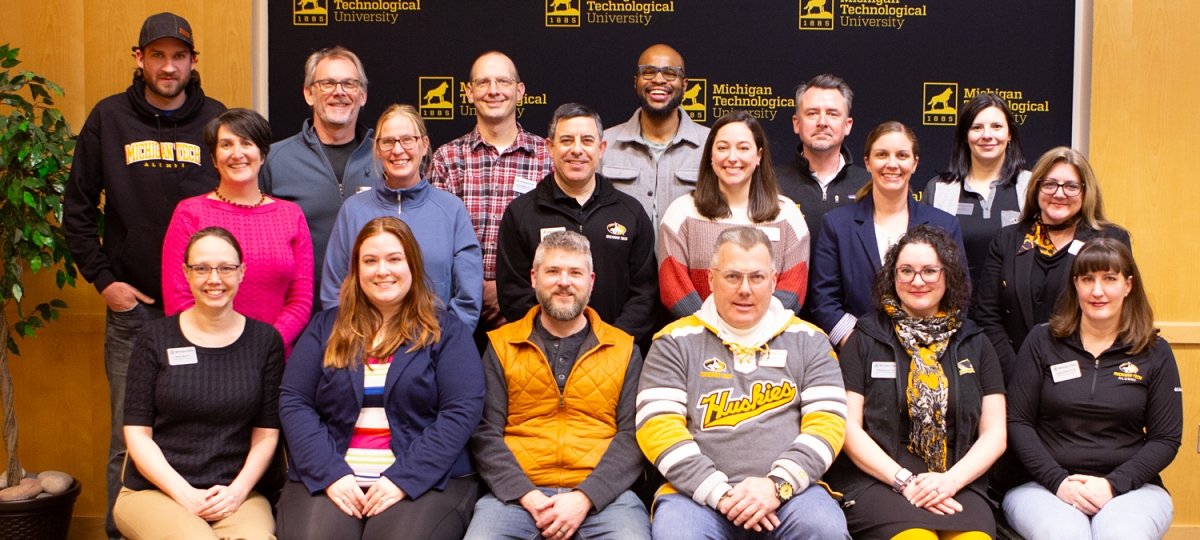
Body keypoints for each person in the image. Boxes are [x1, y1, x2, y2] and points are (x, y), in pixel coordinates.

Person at [61, 12, 226, 538]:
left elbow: (235, 207)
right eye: (157, 55)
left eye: (179, 56)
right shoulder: (108, 119)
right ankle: (120, 532)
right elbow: (77, 209)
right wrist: (105, 282)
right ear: (139, 59)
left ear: (193, 62)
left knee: (211, 430)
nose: (168, 66)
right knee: (127, 440)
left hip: (206, 313)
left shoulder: (218, 120)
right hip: (136, 314)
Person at [278, 217, 485, 540]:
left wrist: (402, 478)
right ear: (356, 269)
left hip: (424, 480)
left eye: (394, 259)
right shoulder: (325, 328)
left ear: (412, 265)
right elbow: (295, 401)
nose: (382, 270)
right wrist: (331, 474)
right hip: (332, 477)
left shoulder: (446, 331)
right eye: (370, 261)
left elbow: (461, 411)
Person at [637, 227, 849, 540]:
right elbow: (657, 428)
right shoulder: (674, 341)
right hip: (695, 497)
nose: (745, 289)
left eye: (757, 277)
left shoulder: (811, 340)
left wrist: (776, 486)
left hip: (790, 495)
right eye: (733, 276)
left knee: (824, 529)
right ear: (711, 279)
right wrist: (720, 493)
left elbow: (828, 426)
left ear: (774, 280)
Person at [466, 231, 650, 540]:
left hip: (605, 500)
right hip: (516, 498)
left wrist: (584, 497)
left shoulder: (623, 348)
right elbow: (485, 432)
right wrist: (527, 495)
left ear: (591, 281)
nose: (564, 281)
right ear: (534, 278)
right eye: (553, 271)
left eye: (575, 273)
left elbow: (633, 436)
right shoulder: (501, 345)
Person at [826, 225, 1005, 540]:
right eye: (906, 271)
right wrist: (903, 481)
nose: (917, 280)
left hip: (956, 480)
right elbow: (848, 429)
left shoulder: (975, 341)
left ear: (947, 275)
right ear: (892, 278)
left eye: (929, 271)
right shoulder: (865, 338)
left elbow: (995, 434)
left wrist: (951, 480)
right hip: (880, 479)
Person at [1003, 238, 1180, 540]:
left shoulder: (1155, 351)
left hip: (1132, 488)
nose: (1097, 291)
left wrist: (1113, 484)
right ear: (1075, 285)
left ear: (1128, 285)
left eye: (1109, 279)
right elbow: (1018, 422)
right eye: (1088, 279)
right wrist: (1058, 481)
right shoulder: (1042, 341)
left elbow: (1166, 438)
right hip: (1043, 485)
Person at [114, 227, 282, 539]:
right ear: (186, 273)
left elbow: (267, 434)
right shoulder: (155, 338)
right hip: (156, 492)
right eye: (201, 268)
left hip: (236, 495)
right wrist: (185, 494)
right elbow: (137, 434)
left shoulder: (265, 341)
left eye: (225, 268)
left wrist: (237, 491)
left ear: (241, 272)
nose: (214, 279)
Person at [496, 103, 657, 345]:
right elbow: (514, 295)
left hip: (616, 355)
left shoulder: (630, 213)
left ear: (601, 148)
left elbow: (645, 294)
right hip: (543, 356)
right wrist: (555, 340)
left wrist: (611, 343)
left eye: (587, 140)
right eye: (567, 140)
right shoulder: (521, 214)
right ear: (550, 147)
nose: (577, 150)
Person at [162, 108, 313, 354]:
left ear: (262, 154)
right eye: (226, 144)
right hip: (207, 356)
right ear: (213, 158)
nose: (237, 153)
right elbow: (179, 298)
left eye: (246, 143)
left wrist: (266, 345)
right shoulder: (189, 213)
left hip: (274, 358)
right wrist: (219, 348)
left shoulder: (290, 215)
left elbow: (300, 300)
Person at [974, 146, 1130, 381]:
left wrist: (1069, 375)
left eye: (1071, 186)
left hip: (1084, 378)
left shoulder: (1110, 240)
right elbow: (987, 315)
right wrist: (1019, 373)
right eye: (1049, 184)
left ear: (1086, 192)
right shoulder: (1007, 240)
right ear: (1036, 188)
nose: (1059, 193)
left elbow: (1116, 314)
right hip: (1013, 376)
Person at [321, 104, 482, 329]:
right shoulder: (353, 211)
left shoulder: (451, 210)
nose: (398, 150)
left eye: (407, 140)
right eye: (387, 142)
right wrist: (356, 344)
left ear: (424, 145)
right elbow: (334, 293)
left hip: (435, 349)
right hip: (365, 350)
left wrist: (444, 345)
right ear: (377, 149)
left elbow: (468, 299)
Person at [808, 121, 964, 348]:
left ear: (915, 163)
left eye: (902, 155)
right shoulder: (837, 225)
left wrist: (927, 342)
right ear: (867, 163)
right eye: (882, 154)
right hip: (858, 351)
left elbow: (958, 295)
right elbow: (823, 299)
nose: (892, 164)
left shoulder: (945, 225)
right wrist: (857, 343)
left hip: (929, 353)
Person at [430, 51, 553, 338]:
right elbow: (439, 239)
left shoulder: (547, 157)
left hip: (530, 308)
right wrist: (474, 288)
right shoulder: (447, 159)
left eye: (503, 81)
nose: (493, 90)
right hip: (457, 309)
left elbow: (558, 237)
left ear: (519, 91)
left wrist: (509, 290)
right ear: (469, 92)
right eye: (483, 83)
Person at [658, 111, 810, 318]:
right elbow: (674, 290)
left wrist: (752, 333)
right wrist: (715, 331)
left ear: (758, 156)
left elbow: (793, 292)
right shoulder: (681, 213)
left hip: (768, 342)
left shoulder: (788, 216)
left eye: (743, 148)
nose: (732, 157)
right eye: (722, 148)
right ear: (710, 156)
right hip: (697, 342)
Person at [261, 46, 374, 312]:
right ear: (309, 93)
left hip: (374, 316)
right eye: (328, 83)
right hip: (298, 317)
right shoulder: (275, 160)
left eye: (349, 83)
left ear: (363, 95)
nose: (339, 91)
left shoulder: (386, 158)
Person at [923, 93, 1031, 284]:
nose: (987, 135)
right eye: (977, 127)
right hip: (953, 309)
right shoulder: (939, 189)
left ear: (1009, 134)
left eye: (996, 127)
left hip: (1013, 310)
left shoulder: (1030, 187)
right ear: (965, 135)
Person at [601, 43, 710, 225]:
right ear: (636, 81)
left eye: (670, 72)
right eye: (649, 71)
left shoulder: (712, 144)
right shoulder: (604, 144)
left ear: (684, 85)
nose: (659, 80)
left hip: (690, 254)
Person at [777, 73, 871, 251]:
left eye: (832, 114)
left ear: (847, 125)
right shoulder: (770, 183)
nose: (822, 122)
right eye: (812, 113)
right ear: (796, 123)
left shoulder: (869, 185)